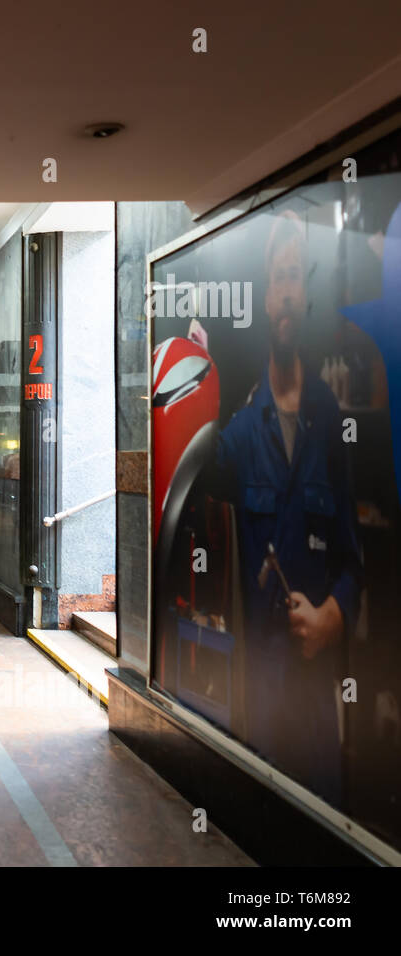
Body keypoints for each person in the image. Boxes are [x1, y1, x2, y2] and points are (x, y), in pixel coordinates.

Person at [209, 209, 362, 807]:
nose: (288, 292)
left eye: (297, 276)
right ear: (266, 296)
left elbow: (355, 564)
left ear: (306, 295)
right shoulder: (242, 432)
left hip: (318, 702)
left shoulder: (334, 424)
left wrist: (334, 617)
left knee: (322, 833)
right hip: (257, 699)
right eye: (278, 278)